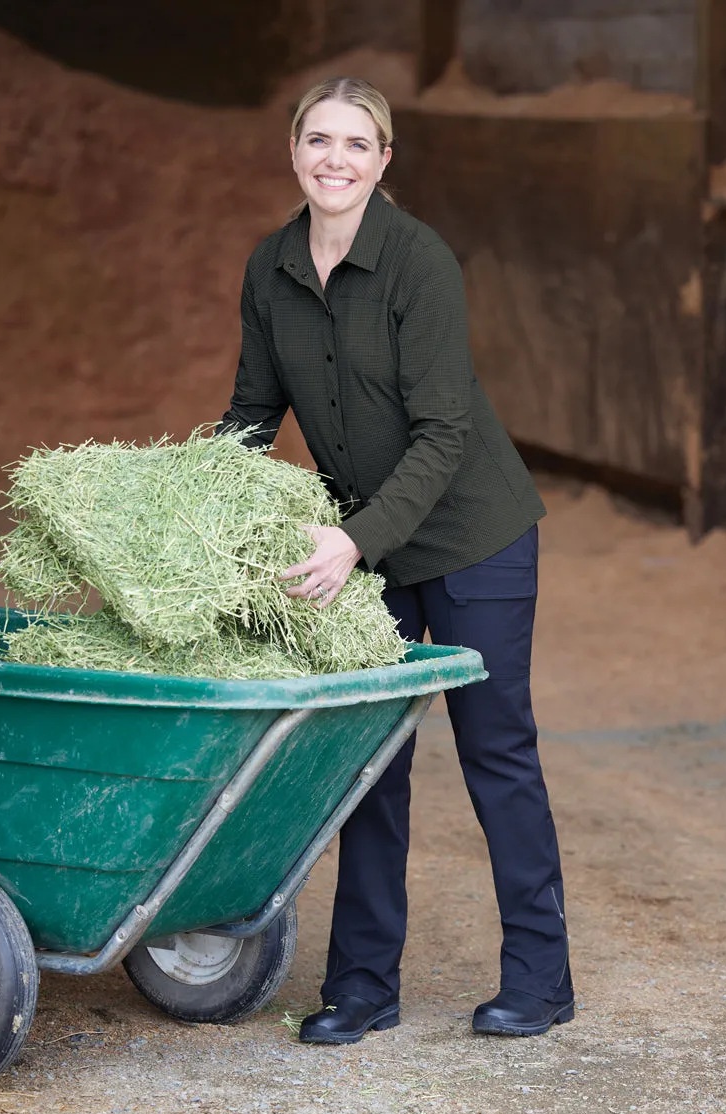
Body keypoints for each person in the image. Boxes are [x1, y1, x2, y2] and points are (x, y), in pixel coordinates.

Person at [219, 76, 574, 1042]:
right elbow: (254, 413)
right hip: (362, 548)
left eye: (357, 144)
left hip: (471, 540)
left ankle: (541, 981)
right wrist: (202, 503)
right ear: (294, 151)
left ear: (384, 161)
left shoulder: (420, 264)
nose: (336, 159)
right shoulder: (271, 266)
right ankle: (364, 988)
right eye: (319, 140)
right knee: (369, 763)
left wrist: (354, 540)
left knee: (496, 752)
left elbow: (443, 434)